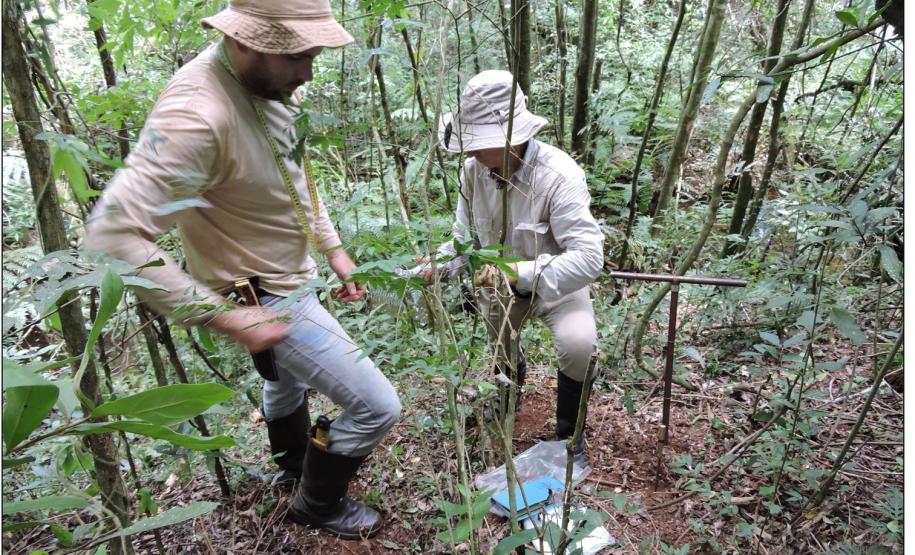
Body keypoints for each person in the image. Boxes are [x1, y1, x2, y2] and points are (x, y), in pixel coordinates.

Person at [84, 0, 400, 540]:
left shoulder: (269, 83)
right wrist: (224, 317)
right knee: (377, 407)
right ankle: (317, 504)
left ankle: (294, 469)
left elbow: (293, 174)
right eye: (297, 56)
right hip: (259, 297)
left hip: (290, 274)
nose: (307, 72)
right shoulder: (196, 115)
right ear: (246, 41)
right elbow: (112, 234)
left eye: (312, 54)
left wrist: (333, 248)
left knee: (285, 388)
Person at [430, 70, 604, 463]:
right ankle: (508, 391)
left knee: (578, 344)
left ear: (511, 139)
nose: (471, 153)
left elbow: (589, 257)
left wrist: (519, 272)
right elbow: (463, 239)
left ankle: (570, 433)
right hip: (498, 287)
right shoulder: (473, 172)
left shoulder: (559, 175)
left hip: (558, 282)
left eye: (479, 144)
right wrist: (437, 266)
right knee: (500, 347)